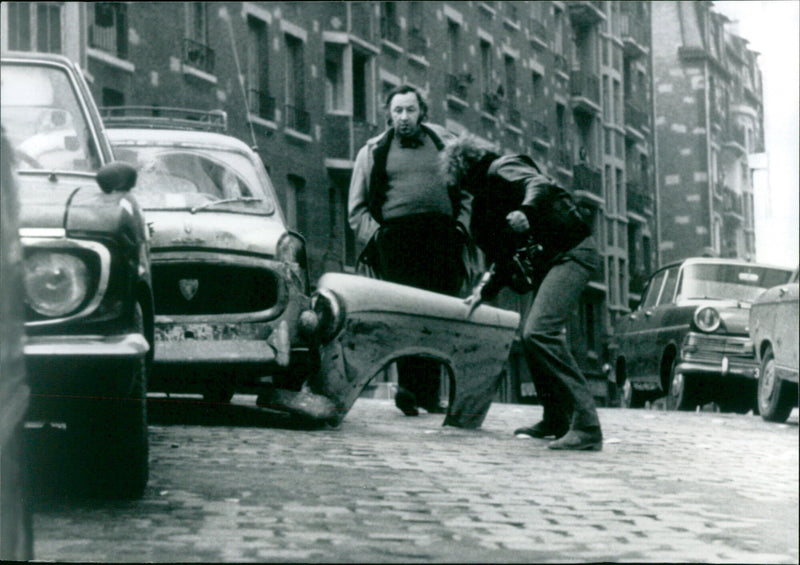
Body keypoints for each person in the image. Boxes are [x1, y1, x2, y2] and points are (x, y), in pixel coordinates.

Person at [441, 134, 603, 451]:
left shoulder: (502, 168)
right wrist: (483, 292)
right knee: (532, 340)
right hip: (555, 258)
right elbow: (503, 257)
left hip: (572, 250)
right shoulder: (486, 205)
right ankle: (556, 418)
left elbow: (539, 184)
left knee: (539, 332)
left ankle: (586, 425)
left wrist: (526, 211)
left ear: (465, 172)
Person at [348, 85, 470, 416]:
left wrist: (462, 228)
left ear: (422, 113)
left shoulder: (443, 143)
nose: (404, 117)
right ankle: (408, 390)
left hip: (441, 240)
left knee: (438, 315)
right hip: (397, 243)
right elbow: (357, 210)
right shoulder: (371, 152)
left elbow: (468, 192)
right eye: (398, 111)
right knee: (405, 315)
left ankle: (429, 394)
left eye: (410, 110)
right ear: (388, 114)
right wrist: (379, 238)